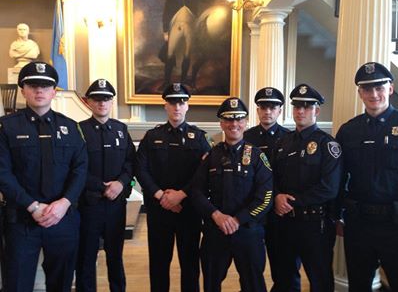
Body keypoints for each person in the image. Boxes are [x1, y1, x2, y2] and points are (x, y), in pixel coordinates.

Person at [0, 61, 87, 292]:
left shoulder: (71, 127)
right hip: (21, 220)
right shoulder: (6, 127)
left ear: (54, 92)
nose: (39, 91)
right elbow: (3, 173)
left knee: (61, 283)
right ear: (23, 90)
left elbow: (80, 169)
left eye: (45, 86)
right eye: (33, 85)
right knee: (17, 284)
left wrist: (64, 203)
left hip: (62, 219)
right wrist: (32, 206)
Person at [191, 97, 273, 292]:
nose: (233, 124)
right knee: (211, 283)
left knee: (253, 284)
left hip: (248, 231)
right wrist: (216, 215)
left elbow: (266, 196)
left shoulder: (256, 156)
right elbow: (196, 191)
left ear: (245, 122)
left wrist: (238, 220)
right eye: (228, 120)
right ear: (221, 123)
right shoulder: (212, 155)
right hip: (215, 231)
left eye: (238, 119)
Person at [135, 83, 211, 292]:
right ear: (165, 106)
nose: (177, 107)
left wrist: (181, 195)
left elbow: (204, 172)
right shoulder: (152, 137)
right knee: (159, 263)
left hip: (189, 210)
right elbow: (141, 170)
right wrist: (162, 196)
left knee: (190, 264)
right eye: (172, 102)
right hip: (159, 210)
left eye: (181, 102)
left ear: (187, 106)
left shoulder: (200, 137)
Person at [336, 62, 398, 292]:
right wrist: (338, 215)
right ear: (360, 93)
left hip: (397, 224)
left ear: (391, 88)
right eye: (367, 89)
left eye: (379, 87)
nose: (374, 94)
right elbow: (339, 176)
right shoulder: (348, 130)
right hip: (359, 223)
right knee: (359, 284)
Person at [272, 84, 342, 292]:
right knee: (284, 278)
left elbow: (329, 188)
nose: (300, 111)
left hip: (315, 225)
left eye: (306, 107)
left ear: (316, 111)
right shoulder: (282, 142)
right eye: (297, 106)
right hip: (285, 222)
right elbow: (271, 177)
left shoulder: (327, 144)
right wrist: (276, 196)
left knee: (319, 279)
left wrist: (291, 201)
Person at [75, 79, 135, 292]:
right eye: (97, 99)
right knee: (86, 257)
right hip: (89, 205)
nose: (102, 103)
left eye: (106, 99)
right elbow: (77, 167)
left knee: (115, 257)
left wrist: (120, 183)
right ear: (88, 102)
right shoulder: (79, 130)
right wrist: (102, 187)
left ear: (112, 102)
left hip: (115, 206)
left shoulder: (120, 130)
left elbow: (130, 162)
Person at [244, 87, 301, 292]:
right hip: (253, 213)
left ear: (280, 110)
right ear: (258, 110)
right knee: (251, 267)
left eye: (273, 107)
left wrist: (277, 196)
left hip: (280, 213)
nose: (268, 111)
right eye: (263, 107)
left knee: (284, 267)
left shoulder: (290, 138)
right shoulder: (246, 138)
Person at [161, 0, 210, 86]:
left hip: (190, 27)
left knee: (187, 54)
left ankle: (183, 81)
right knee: (170, 54)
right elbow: (166, 15)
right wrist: (165, 31)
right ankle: (166, 82)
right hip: (176, 26)